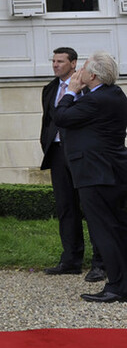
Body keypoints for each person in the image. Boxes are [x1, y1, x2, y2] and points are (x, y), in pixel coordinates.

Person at [52, 51, 127, 303]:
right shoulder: (113, 94)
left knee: (105, 231)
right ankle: (121, 282)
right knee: (117, 229)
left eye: (83, 69)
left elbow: (60, 117)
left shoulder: (94, 101)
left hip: (95, 174)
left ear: (92, 75)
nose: (78, 73)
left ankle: (116, 287)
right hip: (112, 171)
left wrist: (71, 91)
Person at [39, 47, 104, 281]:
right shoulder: (49, 89)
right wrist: (46, 142)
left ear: (73, 63)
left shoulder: (87, 88)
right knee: (66, 207)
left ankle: (100, 262)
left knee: (92, 207)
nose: (55, 65)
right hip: (57, 153)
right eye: (53, 61)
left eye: (61, 61)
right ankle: (71, 260)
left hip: (82, 153)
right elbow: (48, 119)